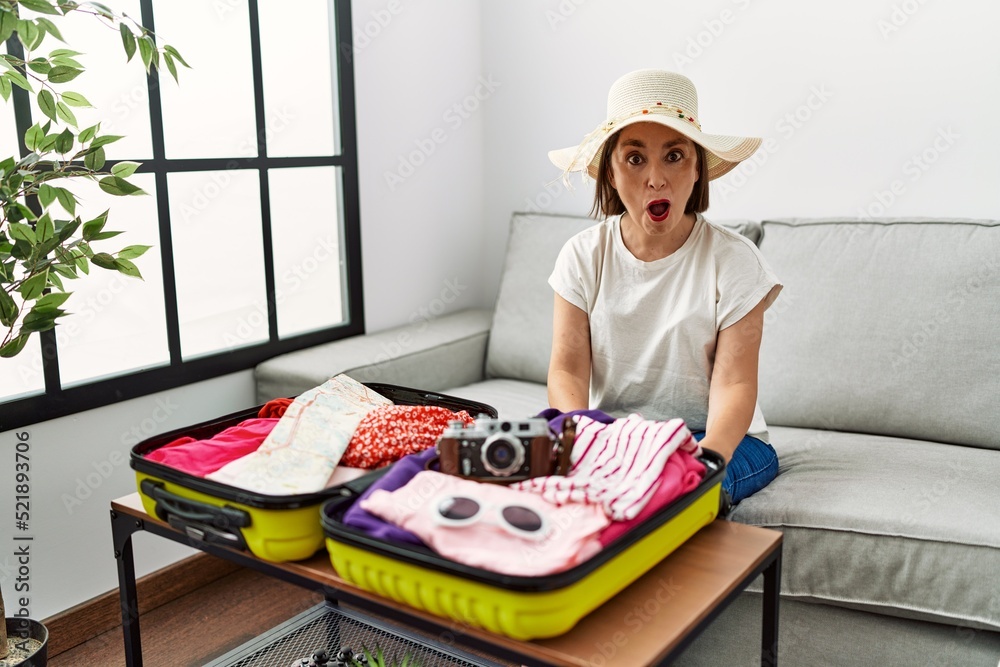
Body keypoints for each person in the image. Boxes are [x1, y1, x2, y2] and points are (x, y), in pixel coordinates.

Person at [546, 69, 783, 505]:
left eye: (673, 156)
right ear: (611, 175)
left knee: (669, 495)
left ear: (697, 170)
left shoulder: (734, 260)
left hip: (719, 440)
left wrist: (707, 462)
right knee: (535, 469)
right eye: (635, 159)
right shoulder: (581, 256)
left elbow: (735, 385)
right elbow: (567, 371)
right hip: (614, 431)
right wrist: (584, 441)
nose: (656, 179)